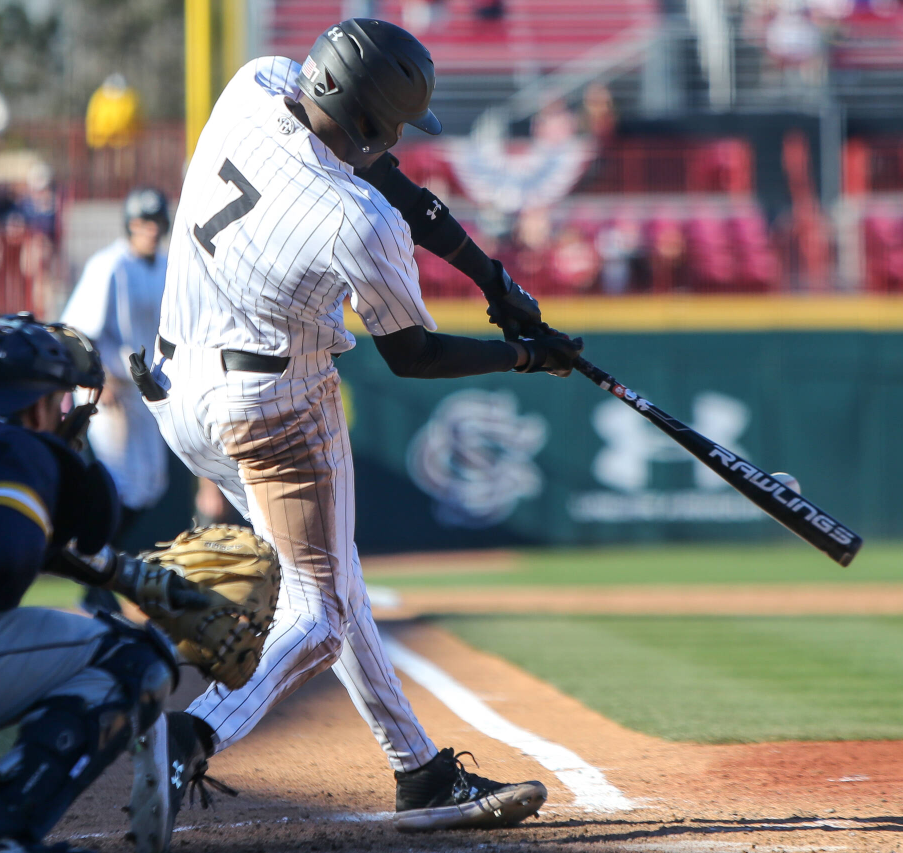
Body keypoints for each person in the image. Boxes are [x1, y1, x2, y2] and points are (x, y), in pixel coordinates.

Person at [134, 18, 581, 848]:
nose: (402, 139)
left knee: (332, 582)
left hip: (175, 389)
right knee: (322, 614)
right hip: (271, 406)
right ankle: (187, 736)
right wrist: (524, 354)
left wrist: (489, 275)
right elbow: (413, 356)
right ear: (372, 119)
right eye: (397, 124)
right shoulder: (356, 218)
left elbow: (393, 179)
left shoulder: (256, 85)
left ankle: (421, 773)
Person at [0, 314, 188, 853]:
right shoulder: (20, 445)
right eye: (63, 399)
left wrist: (129, 577)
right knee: (131, 656)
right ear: (39, 404)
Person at [60, 187, 171, 540]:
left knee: (150, 485)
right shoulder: (109, 264)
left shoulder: (168, 266)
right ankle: (93, 567)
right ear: (129, 225)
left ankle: (102, 568)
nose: (149, 229)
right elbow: (75, 330)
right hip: (110, 391)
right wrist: (96, 378)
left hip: (149, 392)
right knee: (117, 486)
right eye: (142, 222)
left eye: (155, 221)